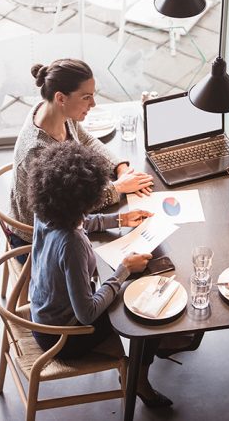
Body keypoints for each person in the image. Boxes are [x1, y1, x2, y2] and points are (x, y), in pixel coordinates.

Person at [27, 140, 172, 408]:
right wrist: (123, 271)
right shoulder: (72, 244)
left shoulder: (46, 212)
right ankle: (138, 379)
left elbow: (78, 222)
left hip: (42, 312)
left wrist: (119, 220)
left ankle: (162, 347)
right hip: (65, 337)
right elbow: (87, 313)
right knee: (148, 315)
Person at [9, 58, 154, 251]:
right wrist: (117, 188)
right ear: (61, 98)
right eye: (86, 97)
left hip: (65, 218)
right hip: (37, 239)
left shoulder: (56, 113)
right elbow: (67, 208)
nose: (93, 103)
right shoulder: (38, 150)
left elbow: (86, 140)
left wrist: (121, 168)